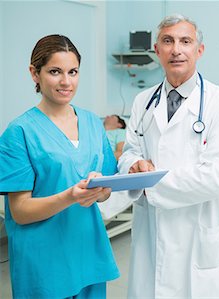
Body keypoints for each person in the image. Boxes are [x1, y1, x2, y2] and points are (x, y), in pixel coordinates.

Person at [118, 14, 219, 298]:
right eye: (168, 41)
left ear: (199, 50)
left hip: (198, 231)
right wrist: (134, 164)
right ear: (156, 50)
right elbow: (129, 151)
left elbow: (217, 177)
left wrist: (150, 184)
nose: (176, 49)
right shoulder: (142, 101)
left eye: (185, 41)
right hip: (152, 229)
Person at [0, 34, 119, 298]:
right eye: (55, 71)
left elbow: (107, 189)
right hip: (45, 262)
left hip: (88, 251)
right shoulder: (19, 132)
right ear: (35, 73)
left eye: (73, 72)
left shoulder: (91, 122)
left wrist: (101, 191)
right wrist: (69, 196)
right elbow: (19, 211)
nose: (66, 81)